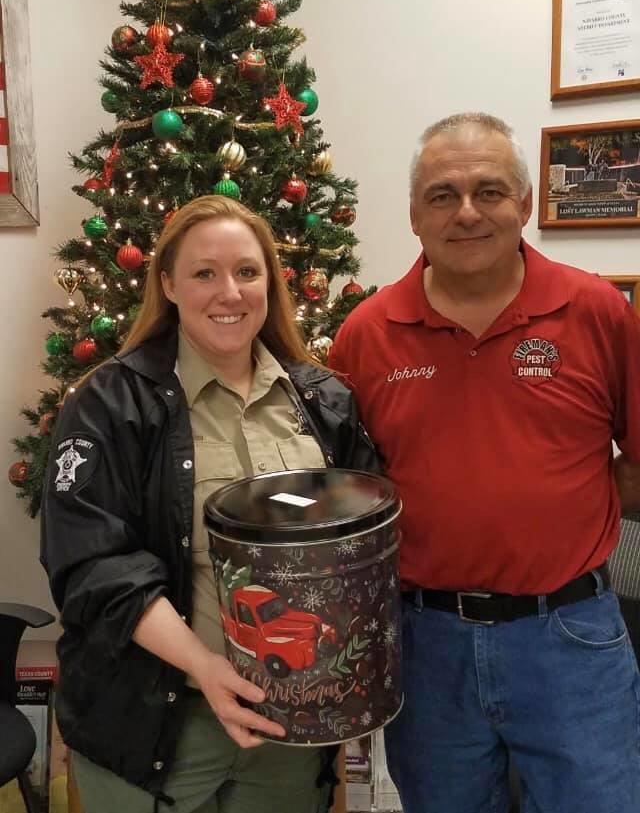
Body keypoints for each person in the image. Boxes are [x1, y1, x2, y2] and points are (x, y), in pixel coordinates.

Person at [328, 112, 640, 813]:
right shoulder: (365, 335)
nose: (467, 211)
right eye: (442, 195)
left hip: (570, 638)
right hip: (425, 642)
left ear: (525, 204)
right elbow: (351, 492)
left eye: (489, 191)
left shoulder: (596, 310)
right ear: (414, 215)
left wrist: (569, 510)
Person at [41, 195, 379, 813]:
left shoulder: (324, 402)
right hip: (152, 725)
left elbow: (361, 555)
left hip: (285, 728)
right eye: (204, 273)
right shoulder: (110, 404)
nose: (230, 292)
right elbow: (91, 566)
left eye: (247, 272)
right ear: (167, 283)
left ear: (270, 283)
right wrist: (205, 666)